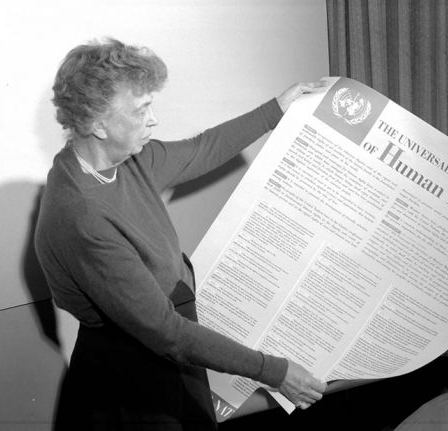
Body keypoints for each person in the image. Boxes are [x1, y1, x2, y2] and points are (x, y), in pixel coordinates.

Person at [34, 37, 327, 430]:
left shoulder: (129, 159)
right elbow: (167, 333)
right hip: (132, 370)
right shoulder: (82, 214)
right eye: (140, 110)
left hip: (168, 341)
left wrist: (276, 109)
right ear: (95, 124)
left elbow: (201, 149)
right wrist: (275, 372)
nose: (153, 119)